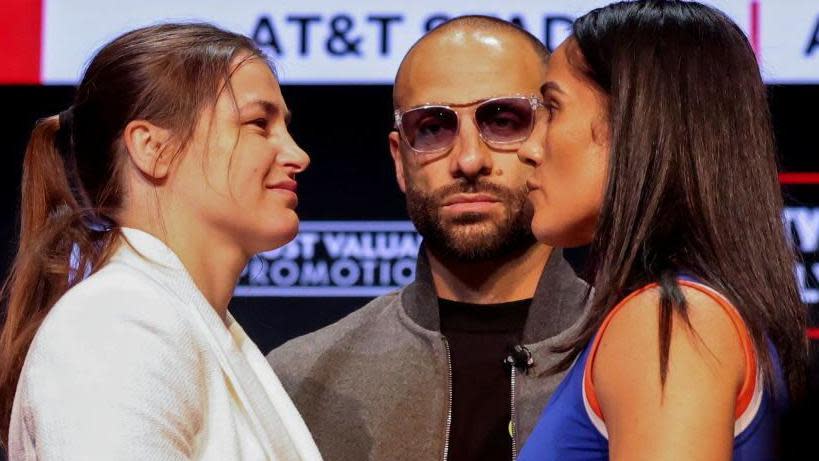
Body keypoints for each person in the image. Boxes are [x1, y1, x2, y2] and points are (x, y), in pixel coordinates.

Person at [268, 16, 589, 461]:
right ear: (401, 160)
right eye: (434, 128)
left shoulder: (636, 353)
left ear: (549, 137)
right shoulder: (299, 381)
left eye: (503, 120)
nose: (470, 160)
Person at [0, 23, 322, 460]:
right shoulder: (116, 322)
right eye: (258, 124)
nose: (297, 155)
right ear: (153, 148)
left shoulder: (184, 321)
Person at [514, 1, 808, 459]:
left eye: (553, 108)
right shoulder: (681, 313)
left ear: (634, 122)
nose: (529, 148)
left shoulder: (669, 320)